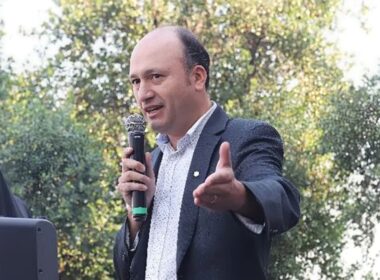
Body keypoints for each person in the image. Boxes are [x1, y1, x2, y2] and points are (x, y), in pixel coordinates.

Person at [114, 25, 300, 280]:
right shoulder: (149, 163)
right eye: (136, 81)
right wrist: (135, 217)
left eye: (155, 76)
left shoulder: (244, 137)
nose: (143, 94)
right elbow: (126, 271)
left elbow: (284, 202)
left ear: (198, 77)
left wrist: (240, 196)